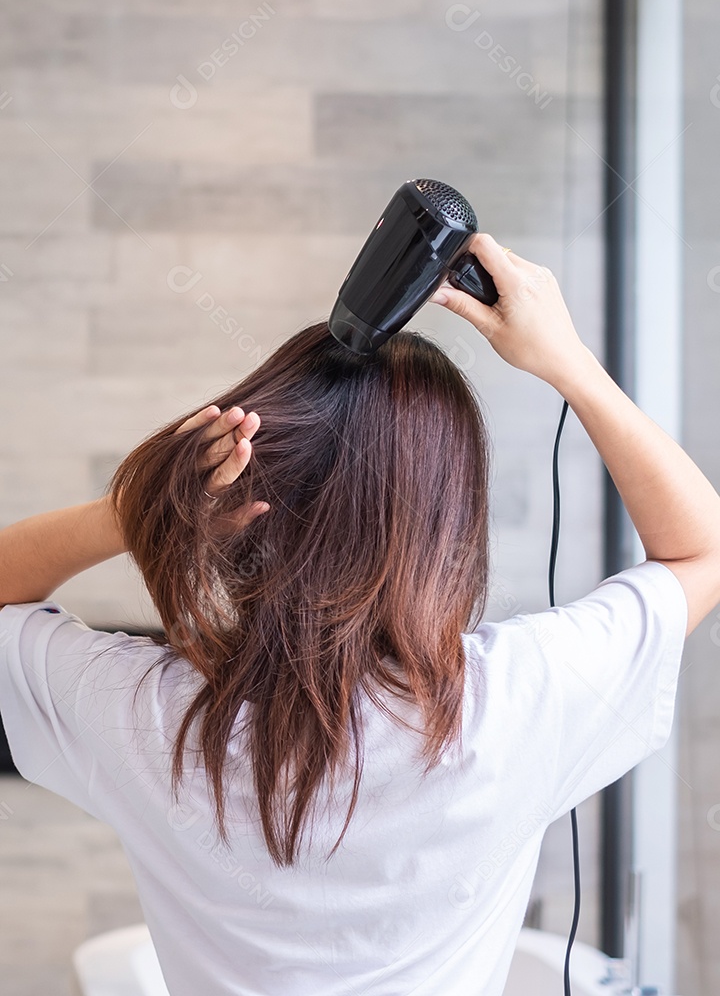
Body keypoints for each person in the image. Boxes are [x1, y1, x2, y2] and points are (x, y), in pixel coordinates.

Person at [0, 234, 718, 996]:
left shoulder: (151, 716)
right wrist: (569, 361)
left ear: (252, 513)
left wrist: (141, 509)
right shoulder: (516, 702)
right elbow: (699, 553)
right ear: (449, 522)